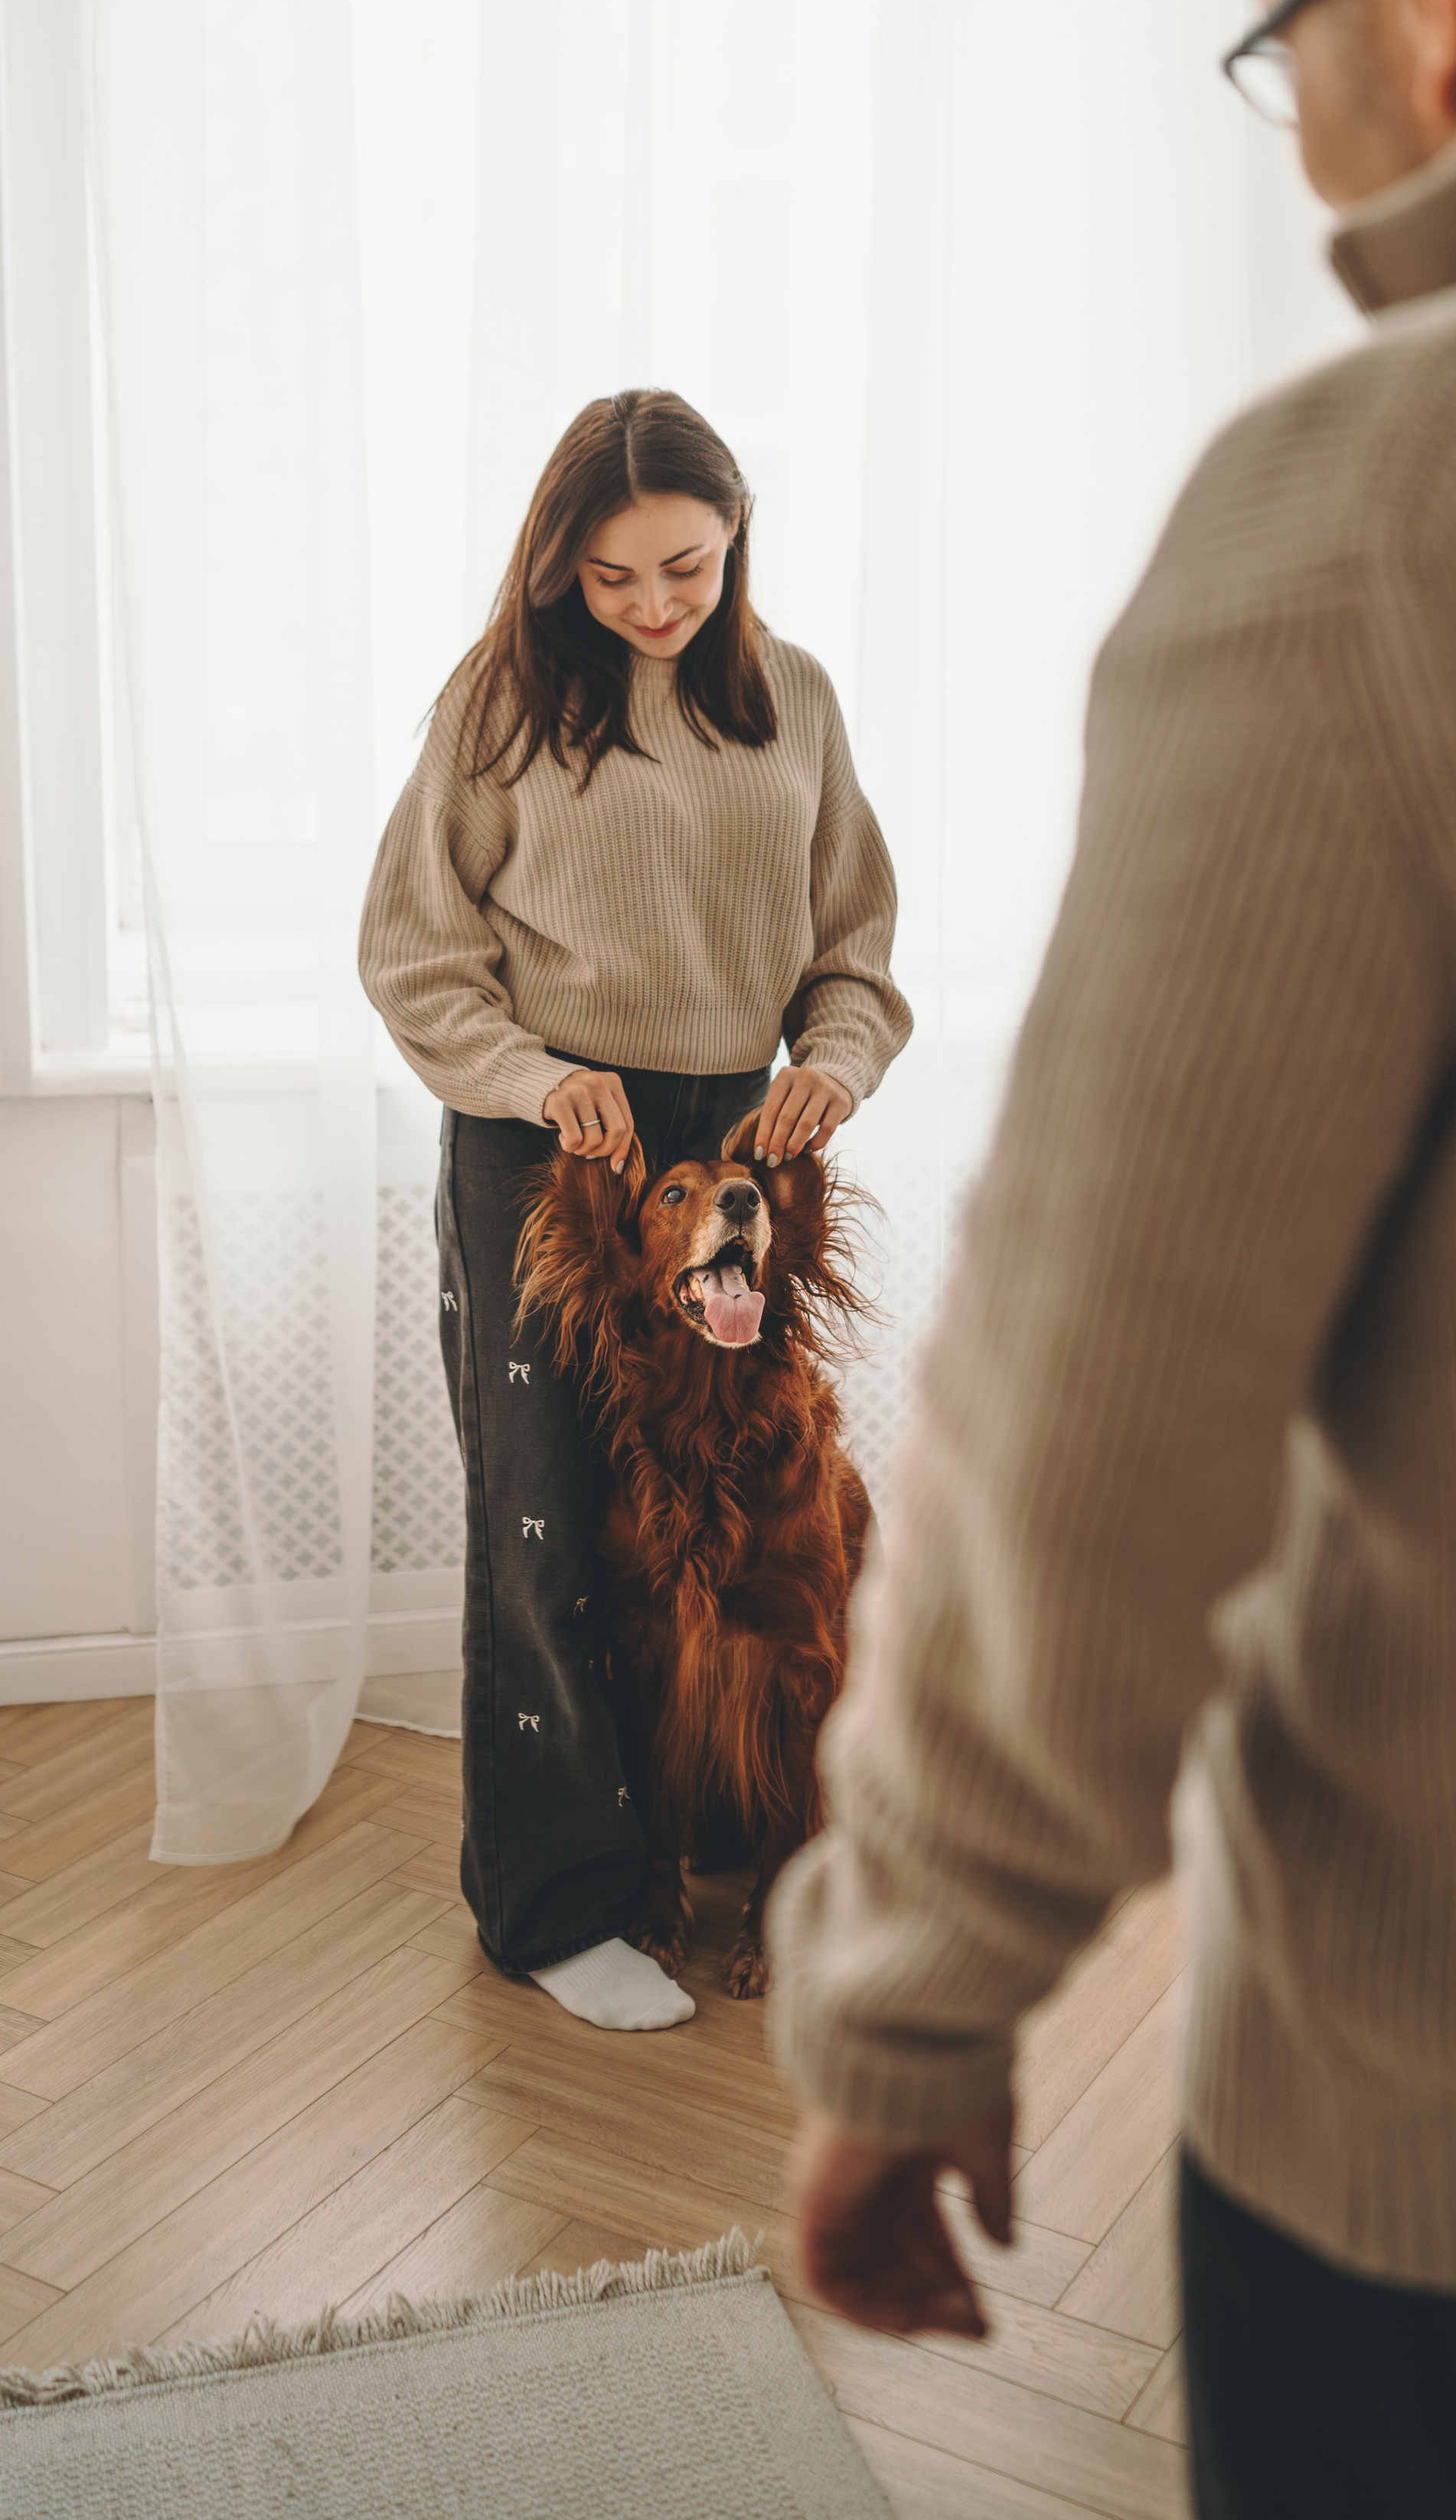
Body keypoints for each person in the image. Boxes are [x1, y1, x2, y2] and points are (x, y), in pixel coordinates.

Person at [767, 0, 1456, 2509]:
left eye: (1275, 25)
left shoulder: (1406, 498)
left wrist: (917, 1990)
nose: (1295, 114)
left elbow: (1102, 1380)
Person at [359, 388, 910, 2035]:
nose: (655, 605)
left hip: (729, 1138)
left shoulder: (788, 697)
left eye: (684, 565)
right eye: (610, 579)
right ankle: (557, 1909)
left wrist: (829, 1062)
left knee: (736, 1524)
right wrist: (533, 1081)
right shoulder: (496, 705)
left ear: (733, 538)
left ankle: (736, 1856)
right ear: (556, 569)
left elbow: (854, 948)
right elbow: (412, 949)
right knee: (544, 1528)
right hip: (545, 1144)